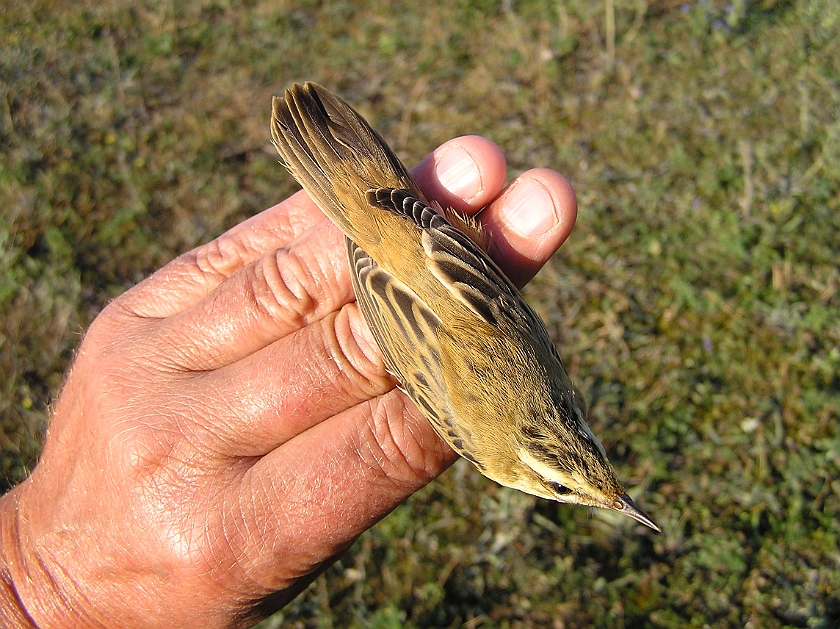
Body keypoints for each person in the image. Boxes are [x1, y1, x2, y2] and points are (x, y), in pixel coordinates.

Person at [0, 135, 577, 628]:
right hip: (396, 286)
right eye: (559, 490)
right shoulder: (489, 451)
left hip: (445, 255)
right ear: (531, 473)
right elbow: (397, 342)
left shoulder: (549, 386)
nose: (558, 497)